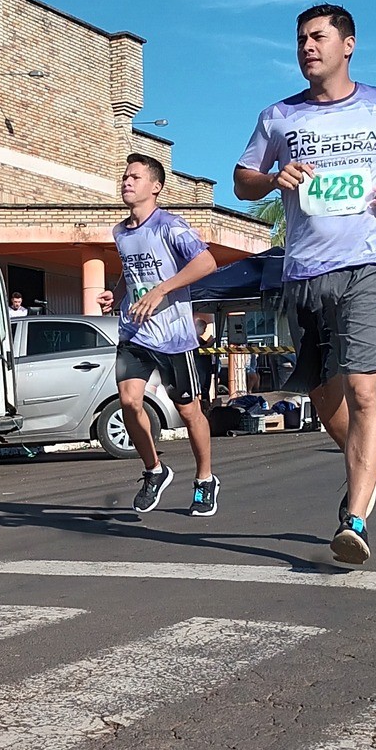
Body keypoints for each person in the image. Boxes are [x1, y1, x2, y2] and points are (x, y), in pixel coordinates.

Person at [234, 3, 376, 566]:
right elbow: (243, 180)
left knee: (365, 389)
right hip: (305, 272)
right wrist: (274, 176)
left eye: (318, 37)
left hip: (371, 265)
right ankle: (371, 462)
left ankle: (356, 517)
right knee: (325, 401)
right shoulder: (278, 116)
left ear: (348, 44)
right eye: (300, 40)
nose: (306, 47)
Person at [98, 153, 219, 517]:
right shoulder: (120, 231)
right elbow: (131, 272)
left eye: (134, 177)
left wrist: (161, 290)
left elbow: (206, 263)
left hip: (173, 336)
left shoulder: (171, 226)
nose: (126, 183)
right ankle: (154, 469)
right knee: (129, 402)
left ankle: (205, 479)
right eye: (124, 177)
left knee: (189, 411)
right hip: (134, 332)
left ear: (155, 187)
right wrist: (117, 294)